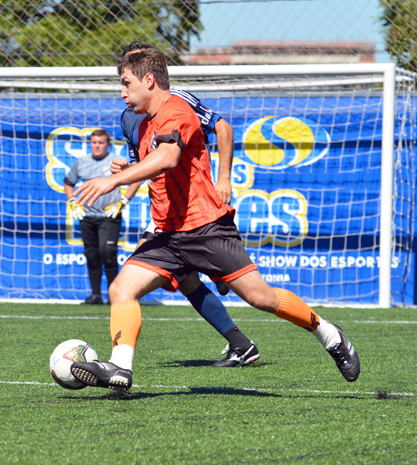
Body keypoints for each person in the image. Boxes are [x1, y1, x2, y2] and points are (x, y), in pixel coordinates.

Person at [70, 47, 360, 392]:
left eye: (125, 83)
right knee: (121, 287)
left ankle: (329, 333)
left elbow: (168, 157)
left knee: (261, 298)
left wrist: (114, 179)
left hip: (207, 228)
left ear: (148, 80)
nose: (122, 93)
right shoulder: (141, 122)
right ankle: (121, 366)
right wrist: (129, 170)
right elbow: (156, 164)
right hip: (168, 234)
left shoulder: (177, 111)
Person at [120, 42, 259, 367]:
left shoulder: (178, 100)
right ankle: (241, 344)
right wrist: (124, 173)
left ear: (149, 75)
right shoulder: (129, 118)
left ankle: (119, 366)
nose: (124, 86)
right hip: (166, 213)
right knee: (183, 280)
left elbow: (222, 127)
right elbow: (145, 163)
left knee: (131, 283)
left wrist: (223, 178)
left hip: (195, 209)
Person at [64, 129, 141, 305]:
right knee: (91, 254)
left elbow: (137, 178)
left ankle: (115, 297)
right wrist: (72, 202)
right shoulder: (81, 162)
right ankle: (96, 295)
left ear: (108, 144)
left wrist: (123, 200)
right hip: (87, 216)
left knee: (108, 253)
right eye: (94, 142)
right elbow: (68, 182)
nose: (97, 146)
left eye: (101, 142)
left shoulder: (116, 161)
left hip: (109, 215)